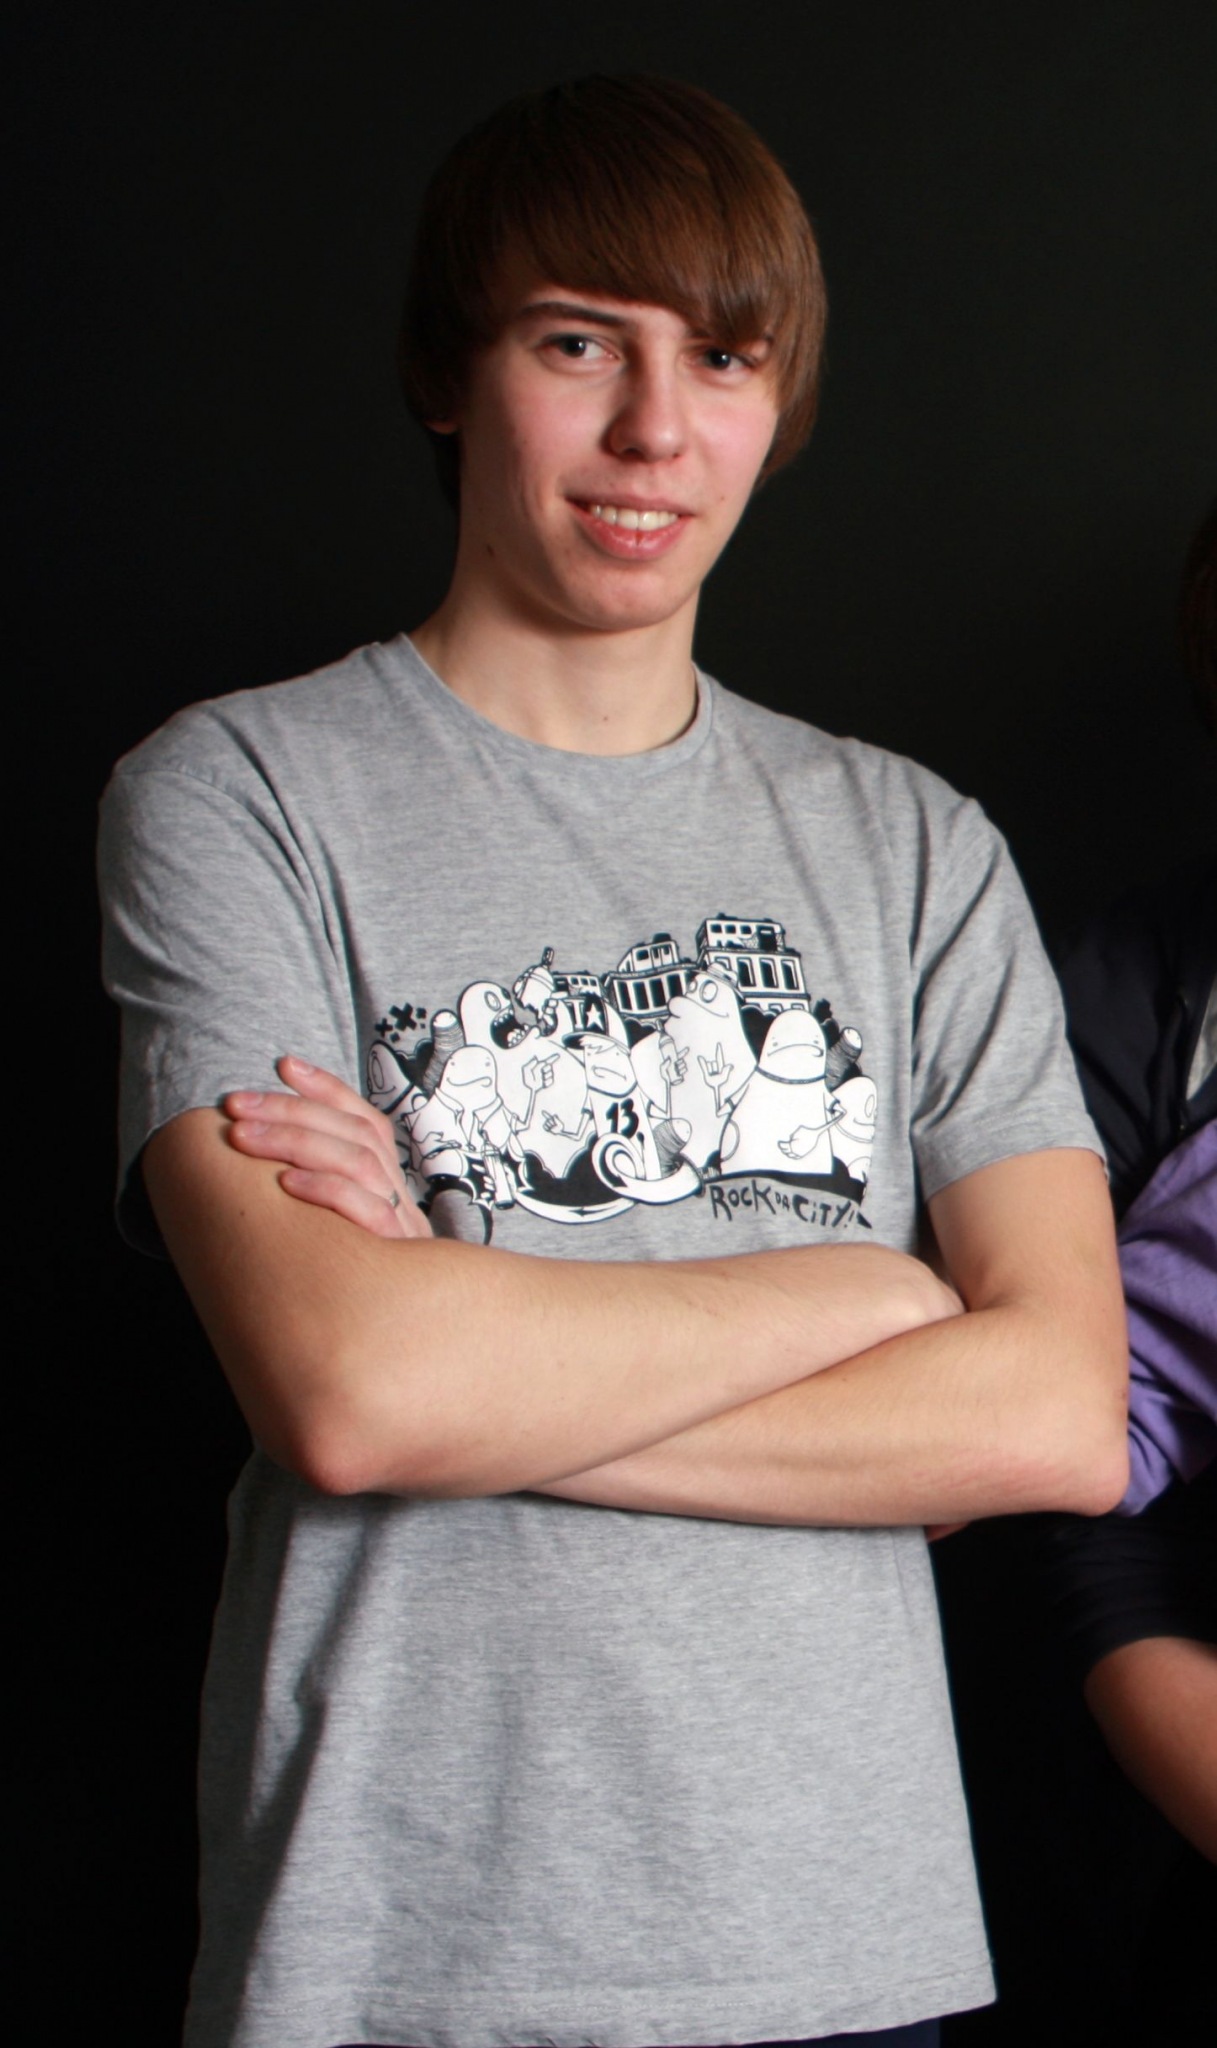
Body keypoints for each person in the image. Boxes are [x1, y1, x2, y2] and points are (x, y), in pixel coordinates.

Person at [99, 76, 1128, 2048]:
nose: (657, 429)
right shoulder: (239, 796)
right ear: (448, 374)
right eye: (579, 344)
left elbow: (1059, 1414)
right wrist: (870, 1296)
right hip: (404, 1945)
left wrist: (468, 1351)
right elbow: (347, 1387)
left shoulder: (914, 847)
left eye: (721, 359)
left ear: (776, 401)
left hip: (840, 1946)